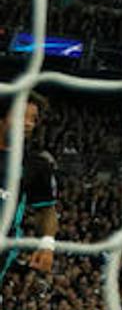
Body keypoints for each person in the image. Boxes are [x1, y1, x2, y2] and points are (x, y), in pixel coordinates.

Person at [0, 92, 58, 287]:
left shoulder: (36, 164)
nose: (28, 124)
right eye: (22, 116)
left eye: (33, 119)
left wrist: (47, 245)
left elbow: (46, 211)